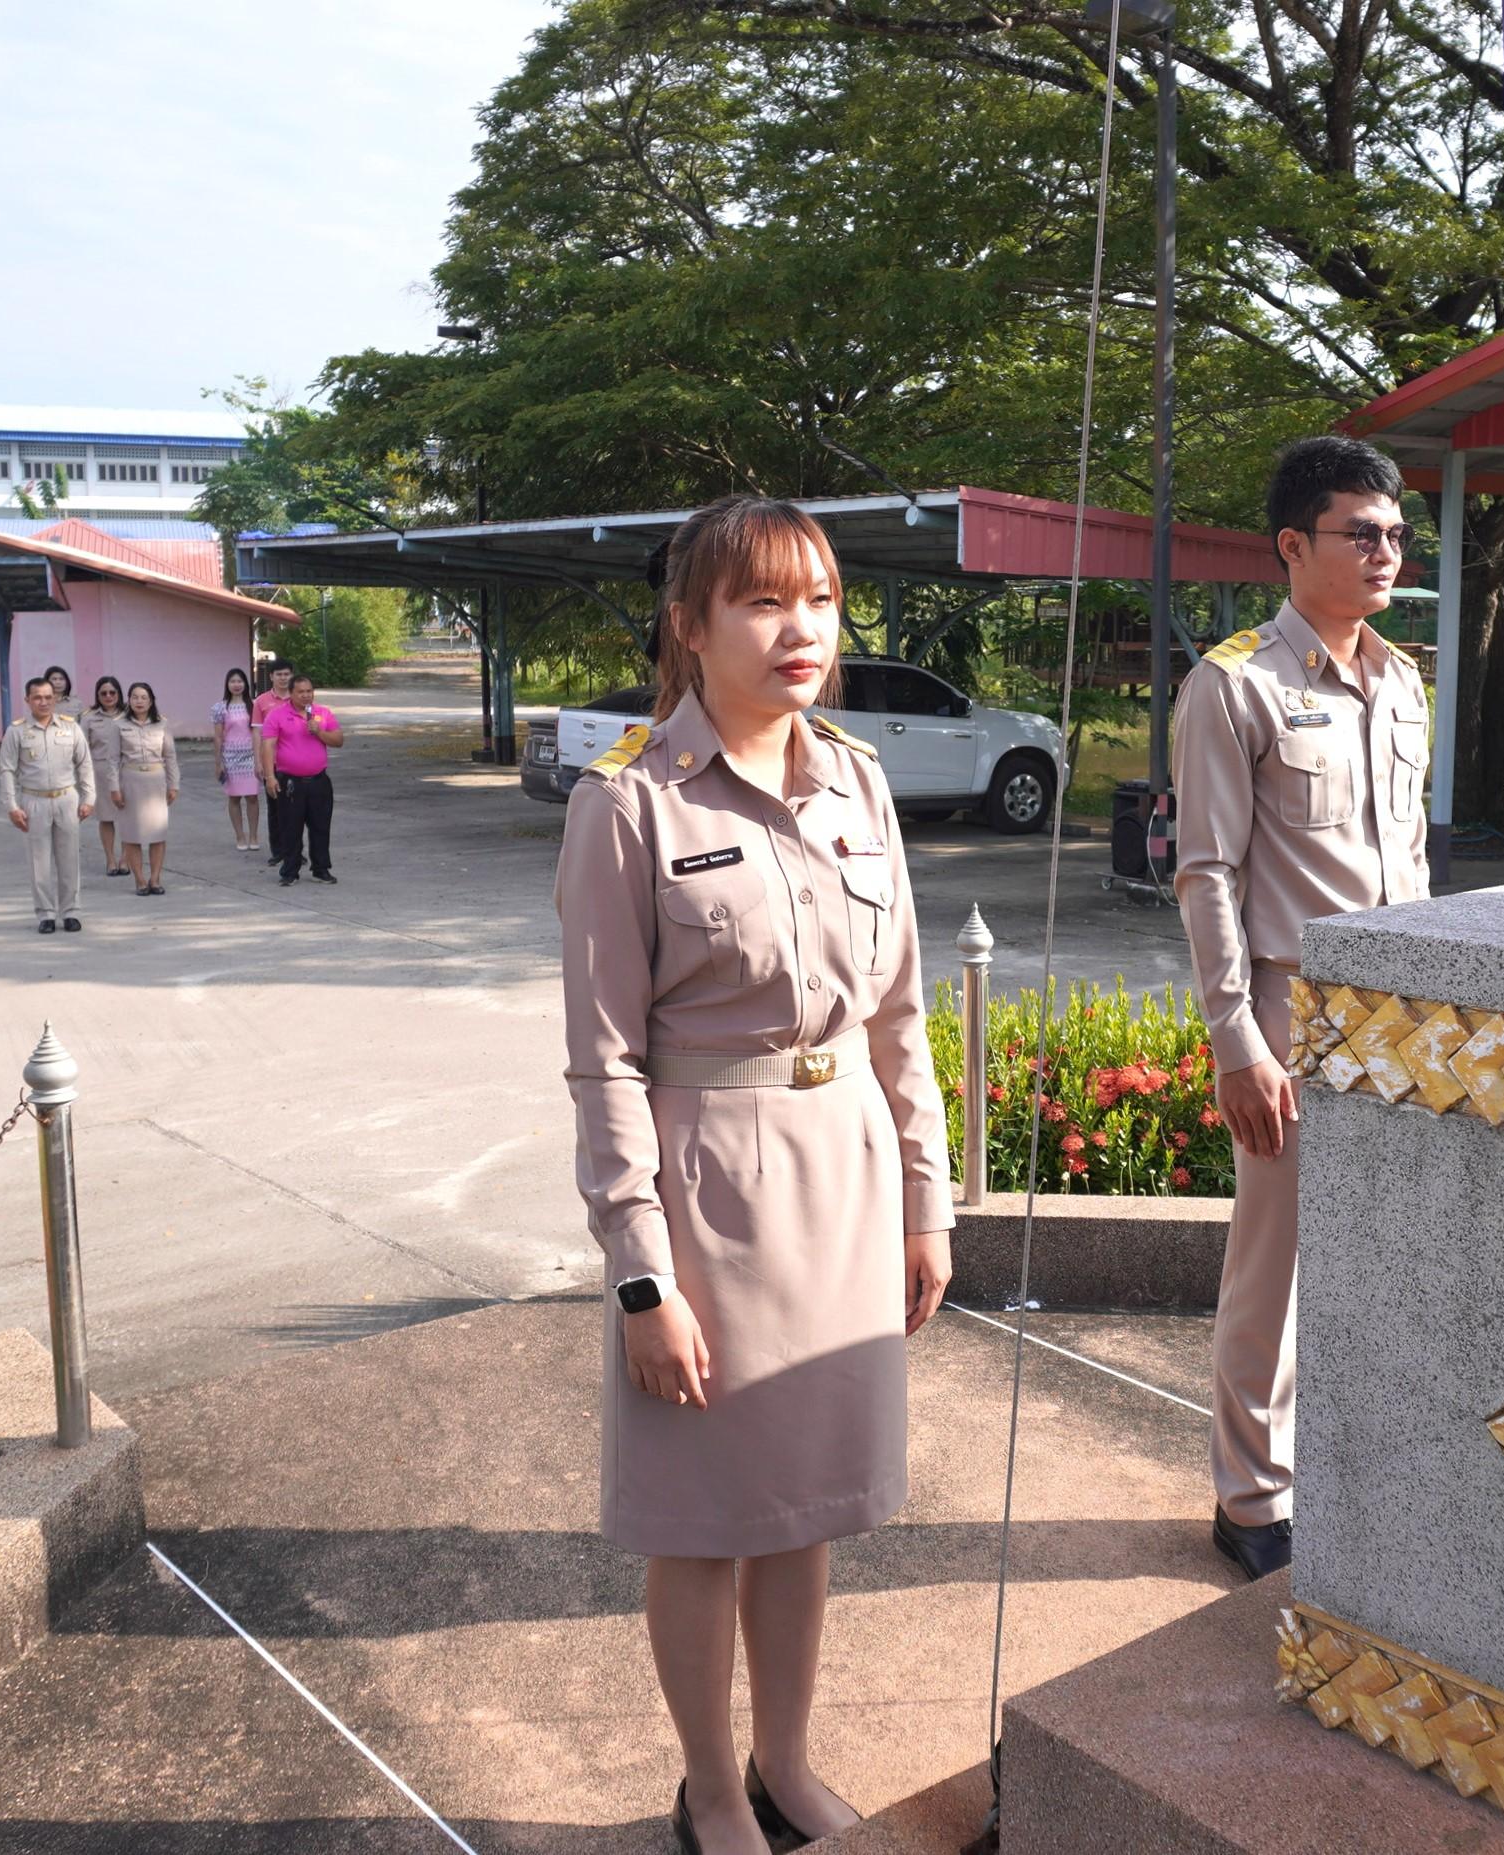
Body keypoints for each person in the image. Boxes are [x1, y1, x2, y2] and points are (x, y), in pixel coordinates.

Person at [556, 496, 952, 1855]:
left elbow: (898, 1016)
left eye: (822, 601)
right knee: (707, 1520)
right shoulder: (629, 802)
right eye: (764, 602)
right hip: (710, 1194)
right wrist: (641, 1275)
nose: (801, 631)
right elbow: (602, 1059)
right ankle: (713, 1786)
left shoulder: (857, 778)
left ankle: (787, 1759)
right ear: (691, 623)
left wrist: (925, 1194)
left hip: (842, 1177)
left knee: (807, 1506)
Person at [1169, 435, 1432, 1581]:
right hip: (1290, 1006)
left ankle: (1354, 1472)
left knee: (1383, 1257)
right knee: (1269, 1270)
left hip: (1397, 1011)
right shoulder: (1235, 684)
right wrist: (1238, 1041)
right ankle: (1252, 1497)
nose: (1383, 552)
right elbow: (1206, 874)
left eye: (1393, 535)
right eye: (1358, 532)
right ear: (1292, 546)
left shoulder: (1401, 680)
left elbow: (1412, 858)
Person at [0, 675, 96, 934]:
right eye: (37, 697)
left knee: (69, 859)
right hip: (34, 800)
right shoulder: (16, 731)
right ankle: (46, 914)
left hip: (66, 799)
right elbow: (6, 770)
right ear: (27, 700)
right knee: (39, 862)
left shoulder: (70, 727)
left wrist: (89, 798)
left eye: (48, 697)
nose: (43, 702)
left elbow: (84, 763)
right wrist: (12, 806)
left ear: (55, 699)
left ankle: (71, 911)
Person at [259, 674, 341, 885]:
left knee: (321, 827)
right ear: (292, 694)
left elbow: (338, 740)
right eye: (301, 692)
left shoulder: (322, 713)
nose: (306, 696)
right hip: (290, 782)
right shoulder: (277, 715)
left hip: (318, 781)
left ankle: (321, 869)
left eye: (309, 691)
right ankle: (290, 871)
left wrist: (319, 732)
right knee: (290, 827)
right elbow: (267, 746)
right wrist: (270, 777)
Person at [112, 682, 180, 896]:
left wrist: (173, 785)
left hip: (155, 781)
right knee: (132, 833)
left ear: (151, 701)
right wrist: (114, 788)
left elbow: (170, 757)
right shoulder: (118, 725)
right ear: (129, 700)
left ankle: (155, 878)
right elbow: (113, 759)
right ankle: (140, 880)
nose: (139, 701)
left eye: (143, 697)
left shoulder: (162, 724)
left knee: (157, 833)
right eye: (135, 697)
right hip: (130, 780)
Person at [81, 675, 131, 878]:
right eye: (104, 693)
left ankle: (126, 859)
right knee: (106, 817)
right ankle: (110, 858)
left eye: (112, 692)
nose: (108, 696)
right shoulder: (89, 717)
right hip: (100, 772)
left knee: (128, 818)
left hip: (127, 770)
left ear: (119, 693)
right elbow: (82, 748)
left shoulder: (131, 714)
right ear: (97, 695)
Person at [213, 668, 262, 850]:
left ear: (246, 684)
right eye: (232, 681)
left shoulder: (255, 705)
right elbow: (218, 737)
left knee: (252, 797)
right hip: (230, 758)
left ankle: (254, 836)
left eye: (240, 681)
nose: (236, 685)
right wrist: (218, 763)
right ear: (227, 684)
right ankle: (240, 836)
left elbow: (259, 732)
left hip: (251, 756)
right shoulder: (220, 708)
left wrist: (260, 759)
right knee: (234, 798)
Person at [254, 659, 296, 864]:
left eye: (286, 674)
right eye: (278, 674)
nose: (283, 678)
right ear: (271, 677)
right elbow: (256, 733)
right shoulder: (261, 702)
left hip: (296, 762)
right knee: (276, 809)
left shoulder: (299, 700)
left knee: (297, 810)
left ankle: (296, 851)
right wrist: (258, 761)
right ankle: (278, 851)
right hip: (273, 764)